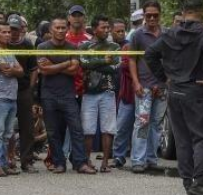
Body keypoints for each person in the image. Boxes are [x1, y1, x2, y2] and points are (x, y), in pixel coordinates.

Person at [145, 0, 203, 195]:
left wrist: (164, 78)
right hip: (196, 90)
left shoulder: (170, 33)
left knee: (182, 139)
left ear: (184, 12)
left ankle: (188, 182)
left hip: (175, 92)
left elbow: (150, 54)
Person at [37, 16, 95, 174]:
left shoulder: (73, 47)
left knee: (76, 129)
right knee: (53, 132)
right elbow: (43, 70)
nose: (61, 30)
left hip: (69, 95)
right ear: (51, 30)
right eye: (57, 28)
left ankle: (80, 163)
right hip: (48, 95)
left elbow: (74, 70)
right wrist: (65, 64)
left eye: (63, 27)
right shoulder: (42, 47)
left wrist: (54, 66)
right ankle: (59, 163)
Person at [128, 0, 166, 174]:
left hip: (162, 86)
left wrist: (164, 82)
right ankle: (137, 159)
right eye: (148, 15)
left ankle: (152, 158)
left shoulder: (166, 34)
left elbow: (171, 60)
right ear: (144, 16)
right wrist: (136, 82)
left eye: (155, 15)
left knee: (157, 124)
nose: (152, 18)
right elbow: (132, 60)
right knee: (142, 122)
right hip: (143, 86)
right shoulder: (137, 35)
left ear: (160, 15)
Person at [79, 15, 120, 172]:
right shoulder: (84, 46)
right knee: (87, 129)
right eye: (103, 27)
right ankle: (87, 161)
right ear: (95, 29)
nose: (106, 30)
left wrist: (94, 63)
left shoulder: (114, 47)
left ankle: (105, 163)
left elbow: (115, 68)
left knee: (108, 128)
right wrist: (105, 61)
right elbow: (83, 64)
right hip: (88, 92)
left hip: (108, 90)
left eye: (107, 27)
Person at [0, 21, 24, 177]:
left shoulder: (8, 51)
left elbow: (21, 71)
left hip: (11, 96)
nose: (8, 34)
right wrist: (15, 69)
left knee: (8, 133)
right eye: (4, 32)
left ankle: (4, 163)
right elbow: (5, 69)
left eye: (9, 32)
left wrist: (14, 69)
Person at [7, 14, 38, 173]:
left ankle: (27, 161)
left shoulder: (27, 44)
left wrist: (30, 88)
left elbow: (34, 69)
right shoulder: (2, 45)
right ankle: (7, 160)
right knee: (6, 127)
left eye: (16, 29)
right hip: (5, 90)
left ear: (21, 30)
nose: (13, 32)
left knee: (27, 128)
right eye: (11, 29)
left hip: (24, 90)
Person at [112, 20, 134, 168]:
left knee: (138, 125)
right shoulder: (109, 48)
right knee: (121, 126)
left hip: (133, 91)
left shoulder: (130, 46)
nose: (121, 33)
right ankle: (118, 156)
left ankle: (137, 156)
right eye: (118, 31)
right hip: (118, 90)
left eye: (123, 30)